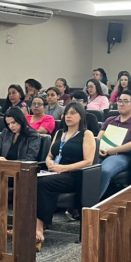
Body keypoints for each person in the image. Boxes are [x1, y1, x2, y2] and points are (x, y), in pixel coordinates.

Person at [35, 102, 97, 252]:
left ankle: (38, 230)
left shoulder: (86, 134)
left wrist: (64, 168)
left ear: (81, 116)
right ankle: (25, 226)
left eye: (73, 113)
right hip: (54, 173)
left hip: (74, 175)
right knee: (27, 180)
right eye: (66, 113)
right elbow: (50, 155)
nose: (68, 116)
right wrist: (49, 162)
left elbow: (88, 161)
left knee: (42, 183)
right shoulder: (59, 133)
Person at [97, 90, 131, 198]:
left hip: (123, 156)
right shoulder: (110, 120)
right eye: (119, 101)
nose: (121, 104)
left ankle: (92, 203)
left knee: (105, 170)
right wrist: (98, 149)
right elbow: (99, 138)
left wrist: (115, 150)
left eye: (125, 101)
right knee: (87, 167)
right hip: (103, 153)